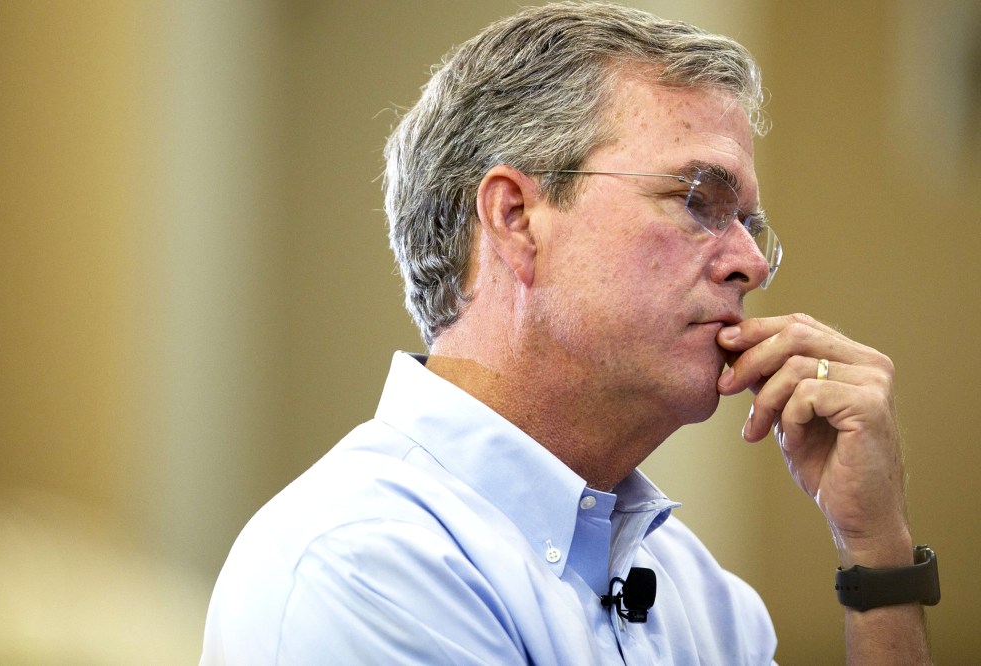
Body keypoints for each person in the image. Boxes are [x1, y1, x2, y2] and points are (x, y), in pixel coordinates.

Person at [201, 3, 935, 663]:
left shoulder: (706, 599)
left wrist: (876, 553)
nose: (750, 264)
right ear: (516, 218)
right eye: (699, 201)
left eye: (751, 225)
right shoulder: (362, 566)